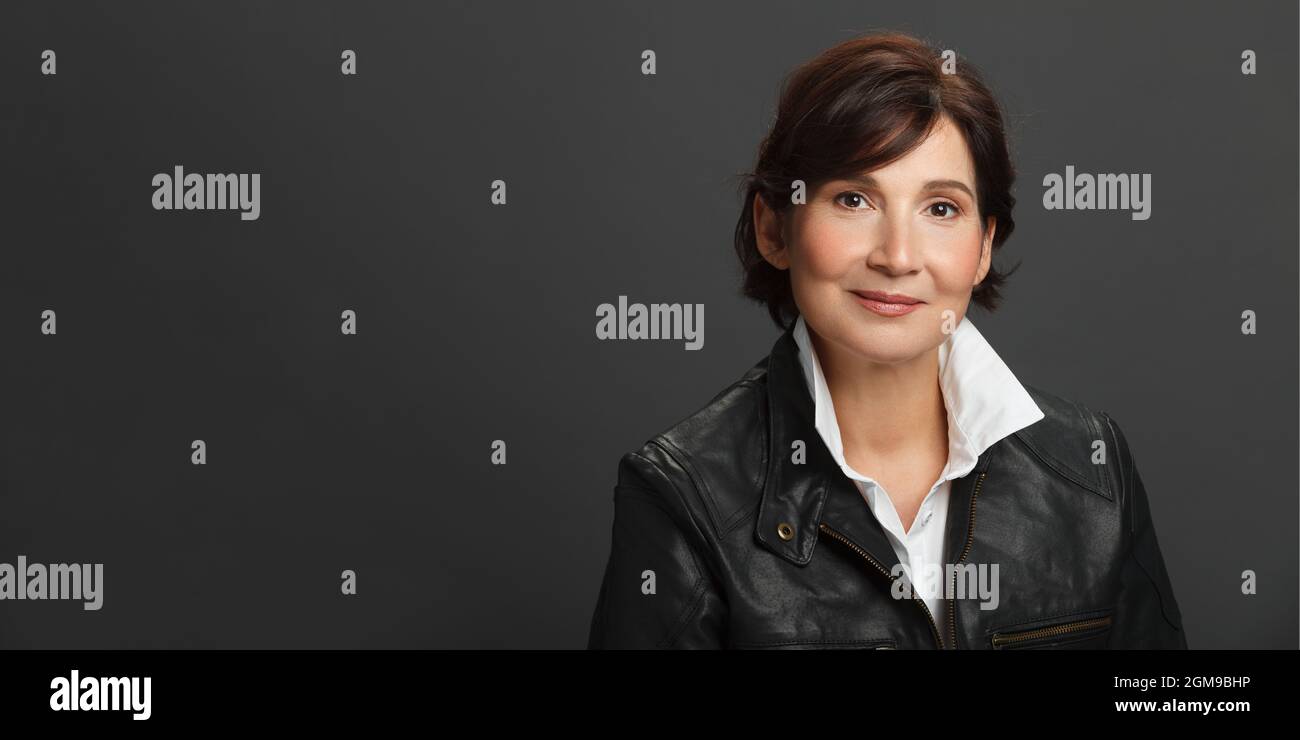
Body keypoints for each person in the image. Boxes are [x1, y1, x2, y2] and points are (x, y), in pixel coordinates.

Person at [586, 31, 1187, 649]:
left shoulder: (1092, 466)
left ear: (984, 246)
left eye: (942, 209)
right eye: (853, 198)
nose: (898, 257)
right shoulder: (681, 495)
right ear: (774, 228)